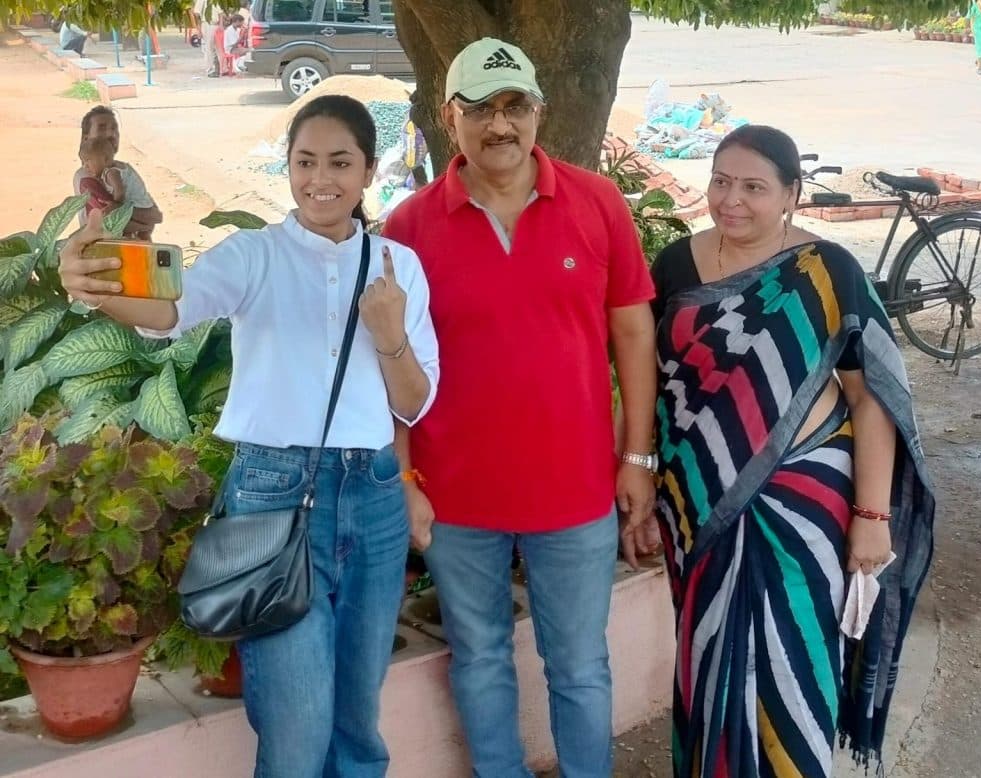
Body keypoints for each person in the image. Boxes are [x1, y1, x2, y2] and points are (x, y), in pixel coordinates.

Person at [58, 95, 440, 778]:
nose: (320, 179)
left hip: (376, 496)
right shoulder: (254, 256)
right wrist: (93, 287)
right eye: (305, 162)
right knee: (297, 726)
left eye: (340, 163)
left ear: (367, 171)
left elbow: (413, 402)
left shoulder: (398, 267)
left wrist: (389, 334)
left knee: (357, 718)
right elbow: (170, 311)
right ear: (288, 168)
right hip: (273, 493)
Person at [383, 37, 658, 777]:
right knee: (478, 658)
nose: (499, 124)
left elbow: (634, 333)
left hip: (575, 492)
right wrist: (405, 481)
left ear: (539, 111)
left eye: (514, 106)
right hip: (456, 497)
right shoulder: (409, 228)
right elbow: (391, 365)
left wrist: (637, 456)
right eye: (479, 108)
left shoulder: (596, 203)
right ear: (449, 117)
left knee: (579, 665)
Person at [648, 124, 935, 777]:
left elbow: (871, 397)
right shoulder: (675, 266)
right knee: (705, 652)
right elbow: (648, 376)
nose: (732, 200)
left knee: (794, 656)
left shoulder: (827, 272)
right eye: (721, 181)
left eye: (754, 187)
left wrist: (872, 516)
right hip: (695, 503)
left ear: (790, 194)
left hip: (803, 505)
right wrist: (638, 473)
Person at [74, 107, 163, 239]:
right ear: (86, 139)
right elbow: (113, 219)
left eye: (114, 128)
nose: (111, 134)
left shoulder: (123, 171)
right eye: (102, 128)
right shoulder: (86, 177)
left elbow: (156, 216)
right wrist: (144, 221)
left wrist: (122, 208)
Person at [76, 138, 125, 218]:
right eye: (83, 163)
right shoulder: (105, 173)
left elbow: (120, 192)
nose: (85, 167)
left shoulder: (111, 173)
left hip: (124, 208)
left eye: (88, 161)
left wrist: (116, 205)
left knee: (85, 185)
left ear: (105, 160)